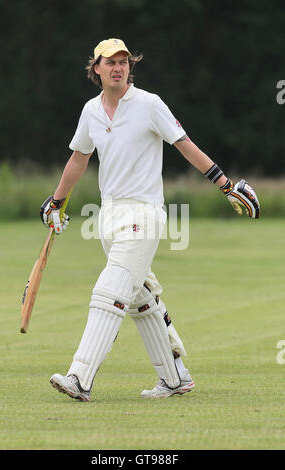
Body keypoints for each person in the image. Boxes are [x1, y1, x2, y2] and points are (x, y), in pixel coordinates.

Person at [40, 38, 260, 402]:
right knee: (142, 299)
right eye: (110, 62)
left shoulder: (149, 104)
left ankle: (79, 377)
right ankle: (175, 377)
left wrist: (224, 183)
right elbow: (79, 158)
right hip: (109, 217)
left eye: (124, 61)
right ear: (96, 68)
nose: (118, 67)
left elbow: (184, 143)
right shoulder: (90, 111)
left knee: (109, 291)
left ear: (130, 66)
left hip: (143, 215)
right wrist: (57, 201)